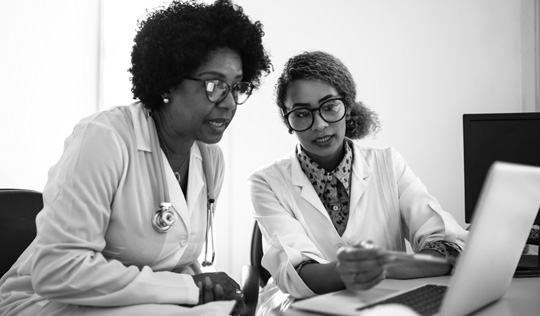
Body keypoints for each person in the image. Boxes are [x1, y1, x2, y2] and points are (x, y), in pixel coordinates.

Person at [0, 1, 271, 315]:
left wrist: (207, 289)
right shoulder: (103, 138)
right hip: (47, 304)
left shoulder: (210, 159)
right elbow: (59, 271)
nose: (229, 104)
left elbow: (176, 259)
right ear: (168, 82)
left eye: (237, 87)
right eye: (214, 85)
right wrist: (187, 289)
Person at [248, 51, 468, 314]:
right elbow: (295, 272)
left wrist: (383, 266)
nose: (319, 125)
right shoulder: (265, 182)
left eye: (329, 107)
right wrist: (356, 270)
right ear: (288, 121)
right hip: (299, 308)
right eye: (302, 113)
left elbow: (447, 245)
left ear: (348, 107)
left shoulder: (388, 164)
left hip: (382, 305)